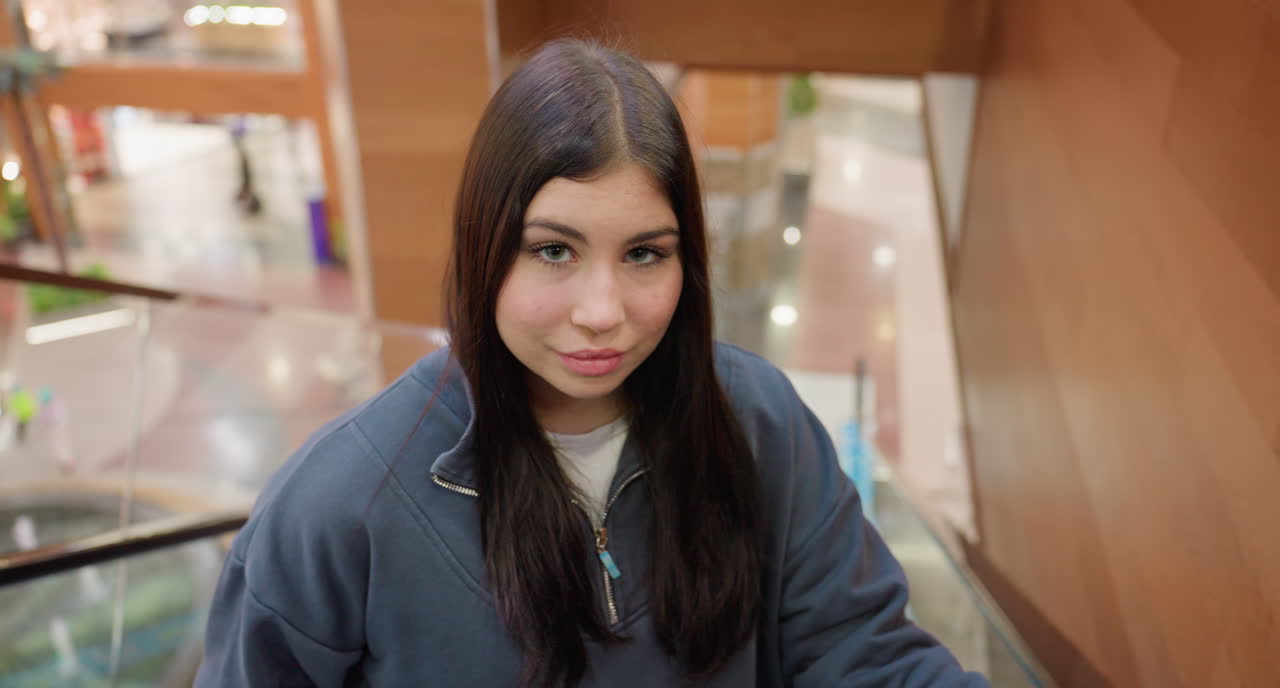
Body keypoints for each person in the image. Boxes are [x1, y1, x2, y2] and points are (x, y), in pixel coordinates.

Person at [195, 39, 989, 687]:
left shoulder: (760, 424)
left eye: (644, 253)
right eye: (553, 250)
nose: (603, 311)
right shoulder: (342, 504)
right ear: (484, 247)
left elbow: (863, 656)